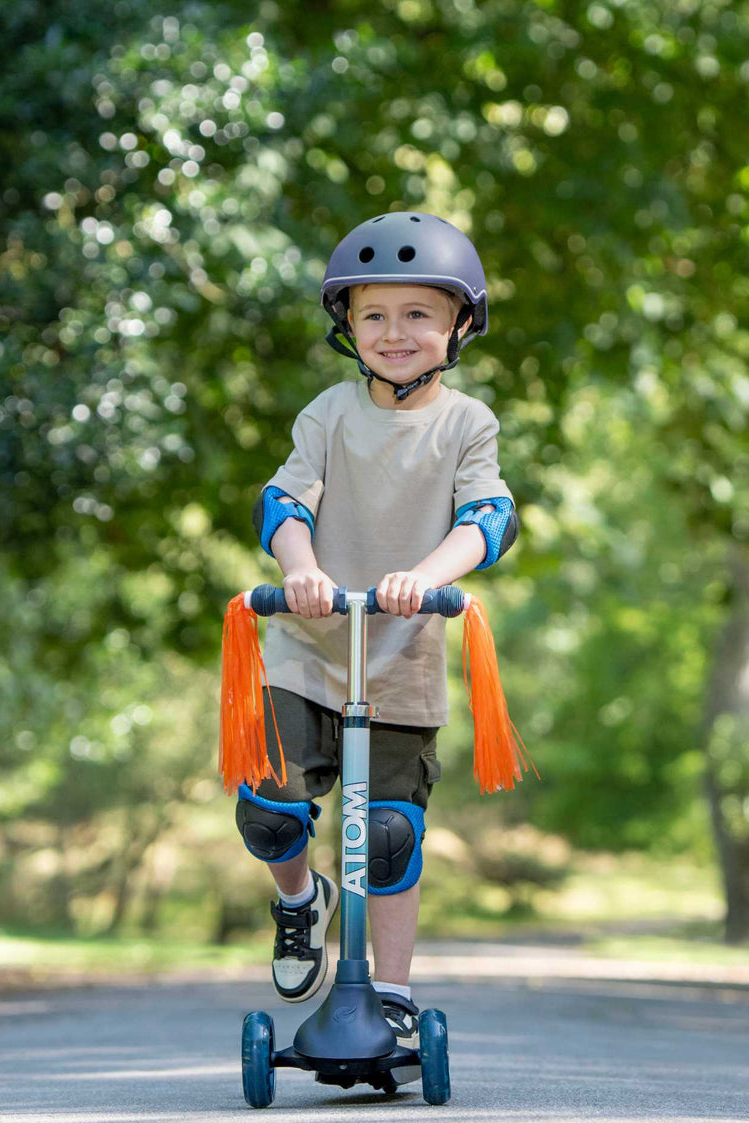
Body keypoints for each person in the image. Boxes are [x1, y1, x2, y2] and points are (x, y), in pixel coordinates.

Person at [235, 211, 518, 1073]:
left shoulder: (467, 423)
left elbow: (488, 517)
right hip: (307, 646)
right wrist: (303, 565)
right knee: (270, 810)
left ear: (459, 325)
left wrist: (426, 575)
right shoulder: (328, 414)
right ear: (347, 327)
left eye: (419, 314)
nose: (395, 333)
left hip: (401, 655)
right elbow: (283, 503)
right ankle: (299, 901)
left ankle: (389, 997)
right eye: (374, 315)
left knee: (389, 834)